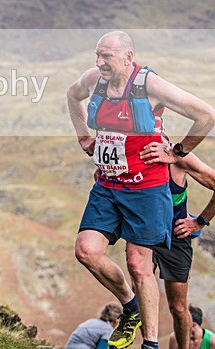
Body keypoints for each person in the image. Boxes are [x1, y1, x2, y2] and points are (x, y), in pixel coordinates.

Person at [67, 30, 215, 349]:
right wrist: (83, 136)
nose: (99, 61)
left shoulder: (149, 85)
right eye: (97, 54)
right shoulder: (94, 79)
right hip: (107, 185)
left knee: (138, 264)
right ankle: (130, 307)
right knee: (86, 251)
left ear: (128, 57)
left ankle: (150, 343)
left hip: (146, 189)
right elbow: (72, 94)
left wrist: (176, 152)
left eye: (106, 56)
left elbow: (206, 115)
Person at [138, 142, 215, 349]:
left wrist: (199, 222)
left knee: (179, 307)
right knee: (142, 300)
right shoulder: (133, 154)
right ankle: (149, 344)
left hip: (176, 238)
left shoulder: (180, 158)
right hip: (144, 235)